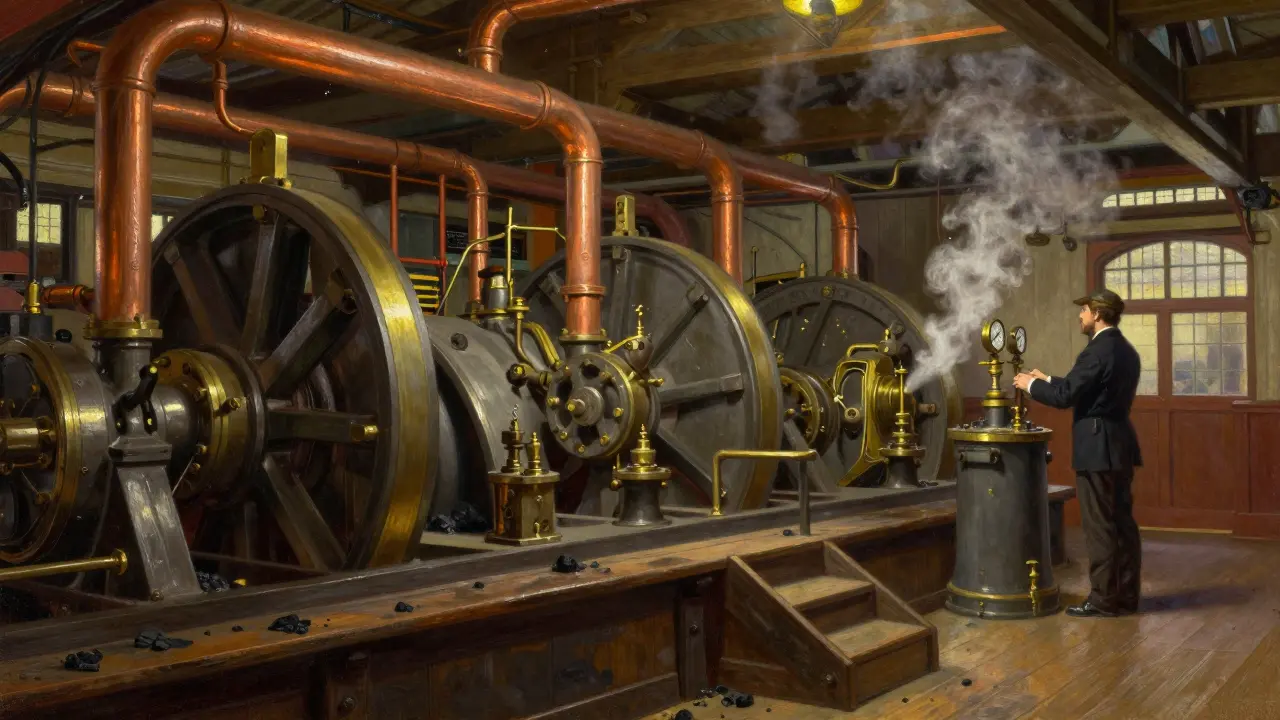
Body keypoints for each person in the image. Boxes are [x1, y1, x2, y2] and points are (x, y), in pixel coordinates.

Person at [1013, 289, 1143, 617]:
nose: (1080, 316)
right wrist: (1049, 378)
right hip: (1120, 444)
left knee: (1099, 526)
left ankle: (1102, 600)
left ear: (1097, 314)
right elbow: (1090, 387)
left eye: (1083, 311)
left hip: (1097, 447)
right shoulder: (1125, 350)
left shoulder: (1096, 350)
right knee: (1122, 524)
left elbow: (1067, 397)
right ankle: (1125, 596)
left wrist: (1030, 385)